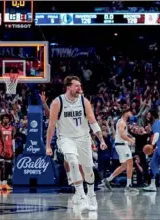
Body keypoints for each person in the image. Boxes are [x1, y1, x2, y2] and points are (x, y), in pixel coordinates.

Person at [46, 76, 107, 211]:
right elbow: (51, 125)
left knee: (88, 170)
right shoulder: (58, 102)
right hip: (66, 139)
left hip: (83, 138)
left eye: (80, 86)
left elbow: (93, 121)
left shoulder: (84, 101)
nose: (80, 88)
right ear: (69, 87)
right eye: (77, 86)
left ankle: (91, 194)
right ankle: (81, 196)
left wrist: (101, 139)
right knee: (72, 161)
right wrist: (48, 145)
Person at [103, 109, 139, 193]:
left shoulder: (122, 122)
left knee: (124, 166)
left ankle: (108, 180)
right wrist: (131, 140)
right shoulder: (122, 122)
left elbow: (122, 134)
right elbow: (122, 135)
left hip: (121, 145)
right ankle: (128, 186)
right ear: (125, 113)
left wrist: (129, 136)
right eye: (129, 112)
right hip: (122, 145)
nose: (131, 114)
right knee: (130, 163)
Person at [143, 110, 160, 192]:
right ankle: (152, 185)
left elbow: (156, 135)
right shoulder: (154, 124)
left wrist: (152, 145)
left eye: (149, 115)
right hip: (158, 147)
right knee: (153, 164)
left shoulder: (156, 123)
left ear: (153, 116)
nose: (147, 117)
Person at [0, 114, 15, 191]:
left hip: (9, 149)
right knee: (0, 166)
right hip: (1, 149)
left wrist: (14, 150)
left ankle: (4, 184)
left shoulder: (12, 128)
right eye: (4, 118)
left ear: (9, 120)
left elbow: (13, 139)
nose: (5, 120)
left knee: (7, 167)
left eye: (7, 118)